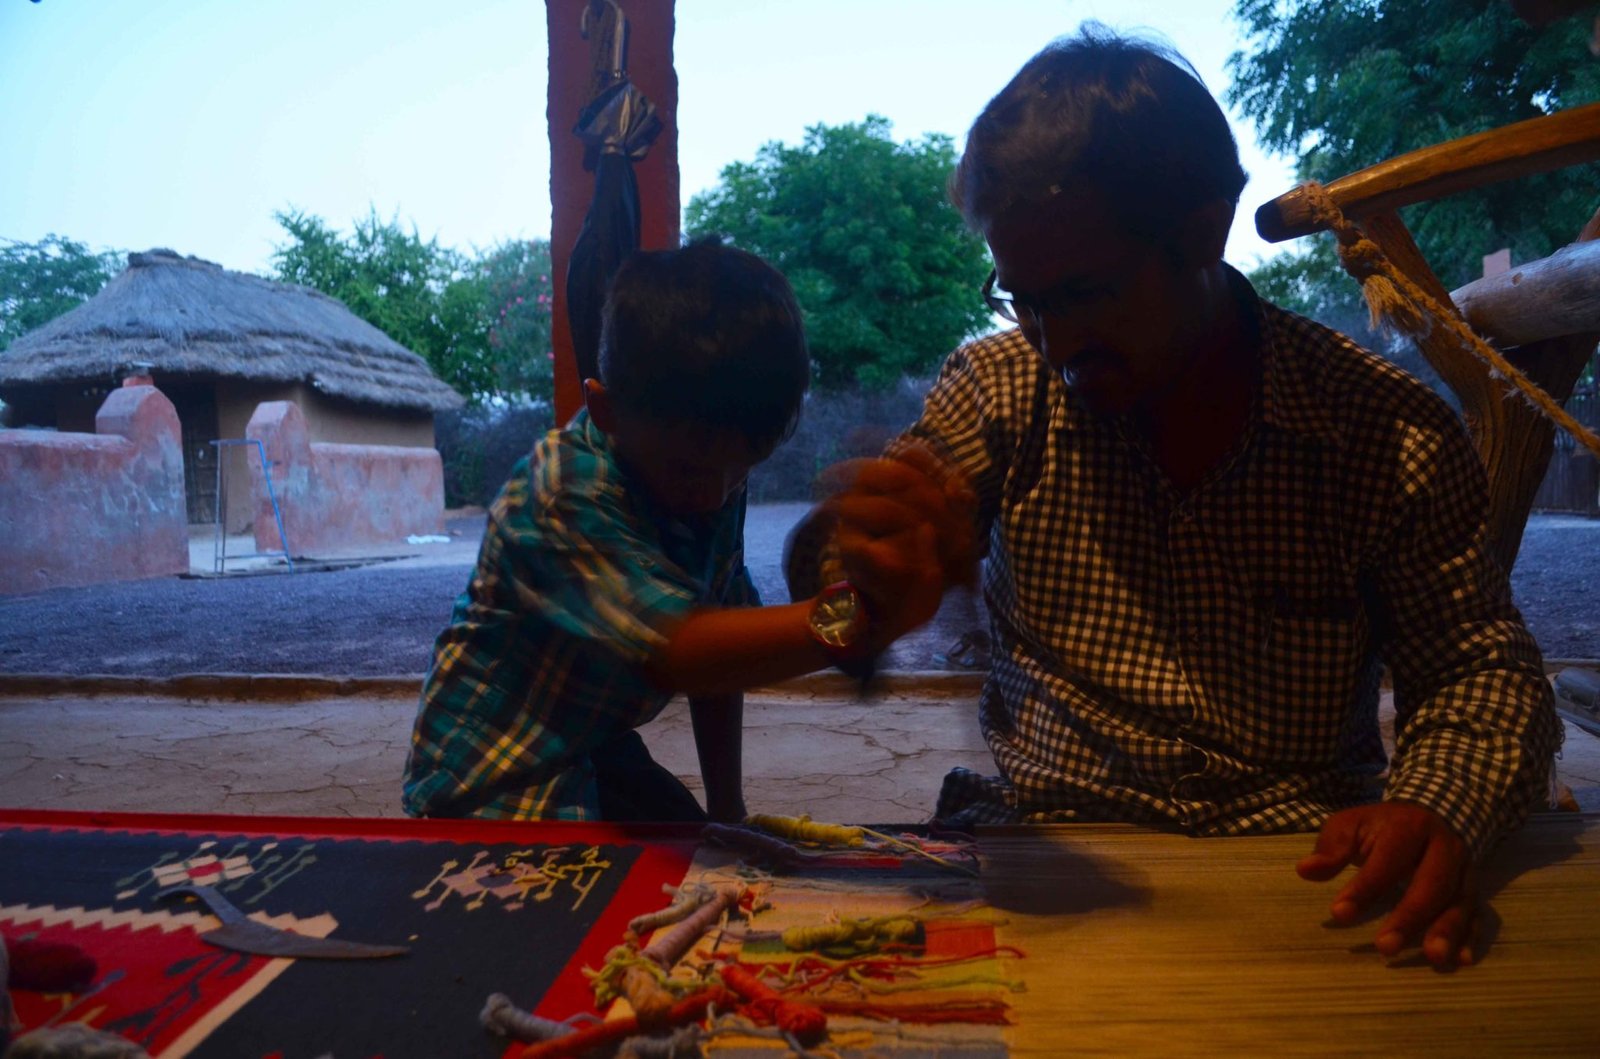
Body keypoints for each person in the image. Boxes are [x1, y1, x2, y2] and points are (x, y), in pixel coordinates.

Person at [791, 27, 1563, 968]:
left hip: (1302, 862)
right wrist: (860, 597)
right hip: (1056, 847)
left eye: (1084, 293)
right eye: (1021, 298)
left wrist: (1435, 805)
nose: (1054, 342)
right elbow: (842, 597)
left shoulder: (1382, 431)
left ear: (1204, 228)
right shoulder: (998, 391)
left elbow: (1482, 674)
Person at [402, 240, 944, 825]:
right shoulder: (562, 491)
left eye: (743, 467)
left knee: (698, 852)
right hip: (489, 775)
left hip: (592, 745)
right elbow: (683, 651)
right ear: (605, 411)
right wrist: (859, 620)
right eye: (690, 471)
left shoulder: (712, 479)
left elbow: (720, 644)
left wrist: (728, 812)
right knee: (600, 901)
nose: (714, 495)